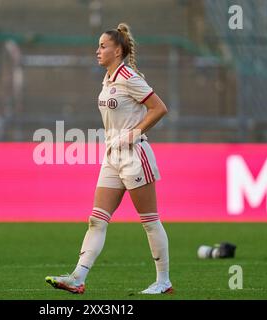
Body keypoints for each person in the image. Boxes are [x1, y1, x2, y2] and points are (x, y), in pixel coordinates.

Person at [45, 23, 172, 295]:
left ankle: (163, 282)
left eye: (103, 46)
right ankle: (77, 277)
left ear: (117, 50)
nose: (97, 50)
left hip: (135, 155)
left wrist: (134, 133)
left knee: (149, 220)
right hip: (112, 156)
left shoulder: (128, 77)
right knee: (97, 219)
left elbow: (159, 108)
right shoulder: (108, 79)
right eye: (98, 46)